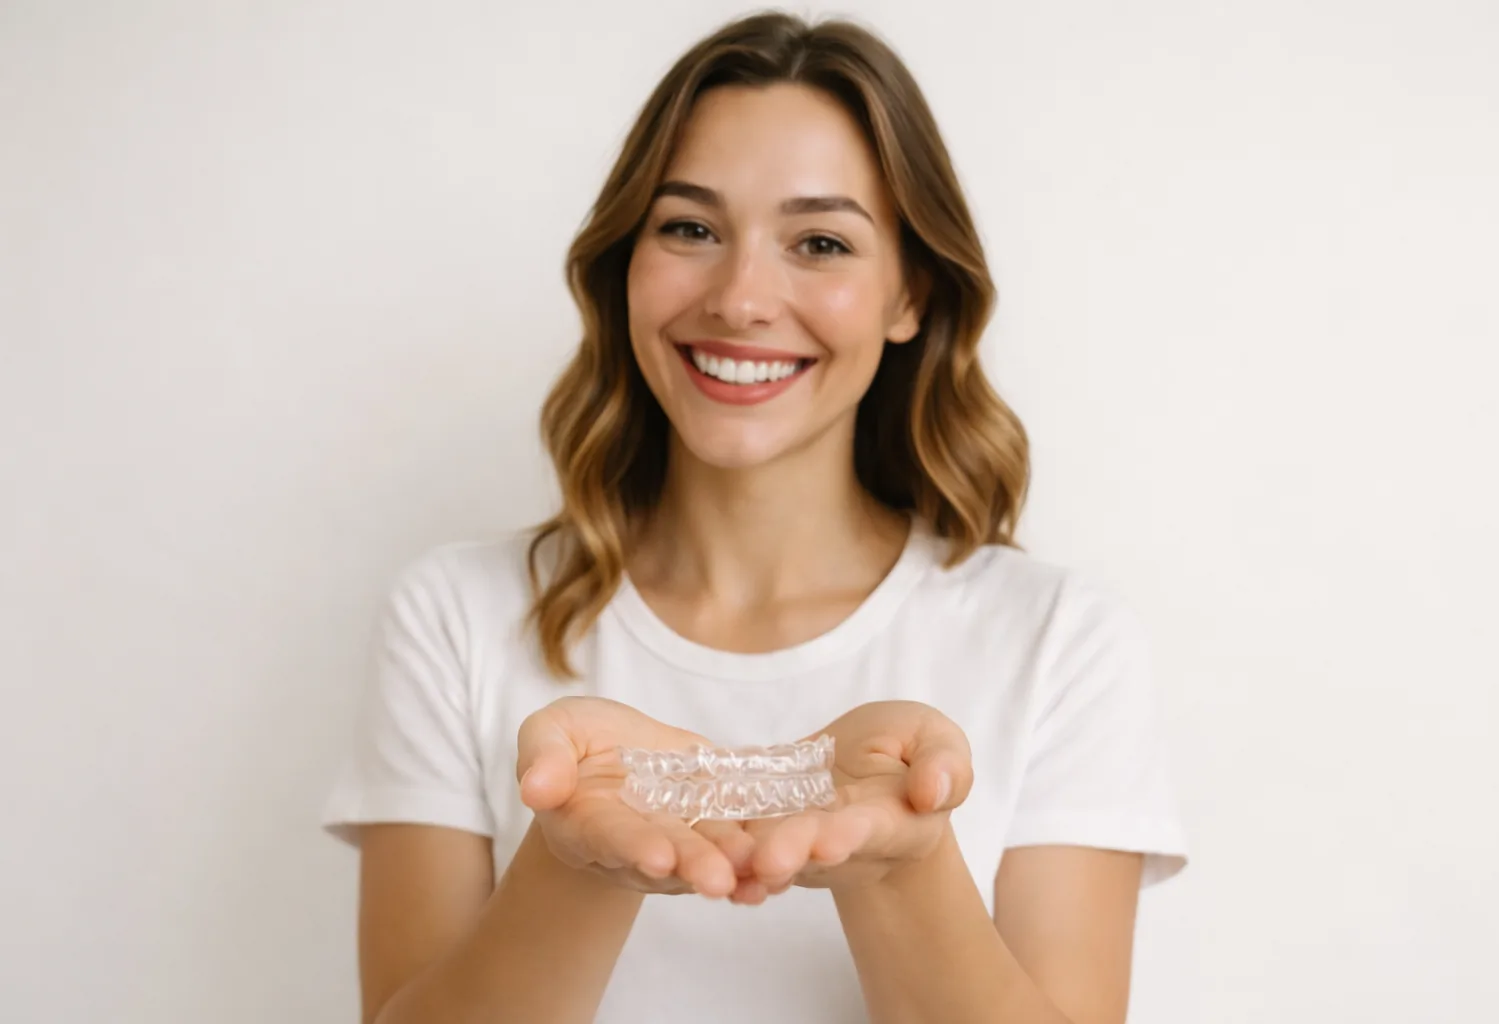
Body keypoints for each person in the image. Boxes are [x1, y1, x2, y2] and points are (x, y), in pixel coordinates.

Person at [322, 10, 1188, 1024]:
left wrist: (901, 868)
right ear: (625, 262)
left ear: (909, 291)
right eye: (689, 227)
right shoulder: (454, 615)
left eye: (820, 241)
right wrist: (575, 860)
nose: (740, 299)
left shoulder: (1057, 643)